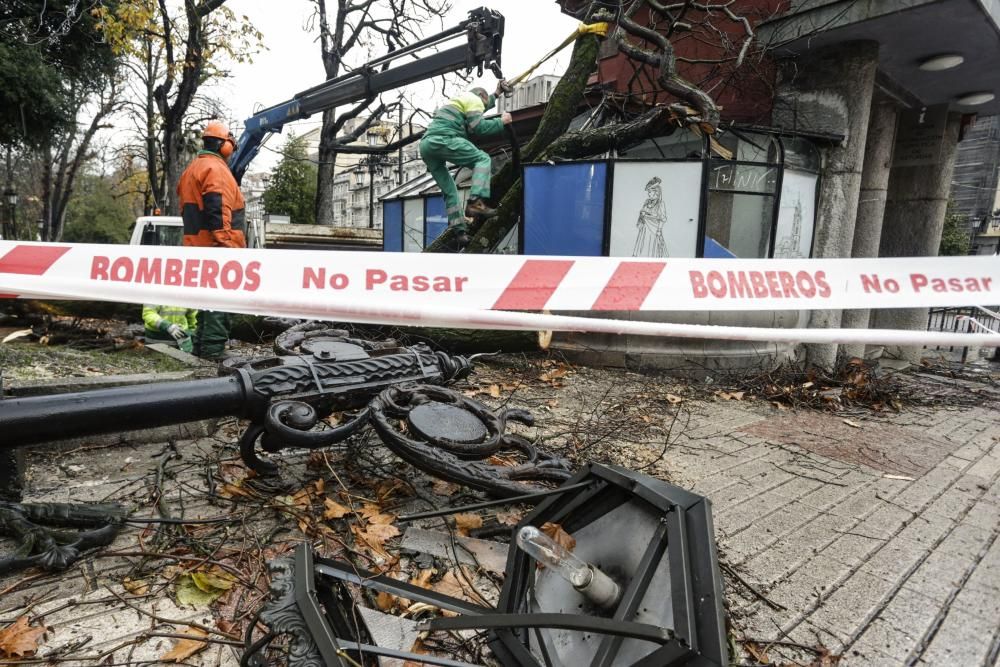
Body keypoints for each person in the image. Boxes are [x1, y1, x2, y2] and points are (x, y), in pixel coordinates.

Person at [177, 120, 246, 360]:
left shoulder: (192, 169)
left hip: (198, 246)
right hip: (219, 249)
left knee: (206, 303)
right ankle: (213, 351)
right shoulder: (216, 170)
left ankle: (200, 347)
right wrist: (227, 248)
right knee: (220, 303)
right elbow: (218, 211)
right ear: (224, 145)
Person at [420, 82, 513, 242]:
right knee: (482, 159)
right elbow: (479, 127)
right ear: (481, 97)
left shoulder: (461, 100)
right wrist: (501, 122)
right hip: (444, 139)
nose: (482, 110)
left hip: (426, 146)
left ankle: (459, 232)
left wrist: (497, 93)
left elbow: (483, 106)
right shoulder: (474, 100)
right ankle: (476, 202)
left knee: (450, 191)